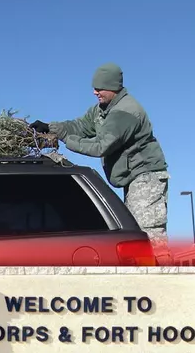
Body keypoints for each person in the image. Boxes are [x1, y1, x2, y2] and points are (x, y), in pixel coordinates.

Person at [30, 63, 170, 261]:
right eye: (94, 87)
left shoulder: (126, 113)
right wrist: (51, 127)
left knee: (148, 233)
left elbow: (101, 146)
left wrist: (66, 141)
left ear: (113, 87)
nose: (95, 92)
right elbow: (80, 125)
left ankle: (167, 282)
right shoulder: (102, 109)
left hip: (147, 176)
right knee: (135, 233)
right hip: (131, 177)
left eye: (100, 88)